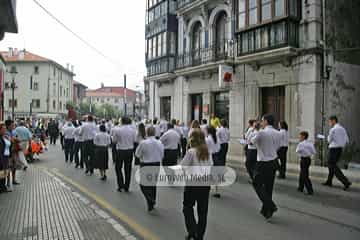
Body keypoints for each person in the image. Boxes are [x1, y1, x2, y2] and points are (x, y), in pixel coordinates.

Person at [180, 129, 213, 240]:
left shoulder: (191, 152)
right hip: (205, 183)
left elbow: (183, 166)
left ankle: (192, 230)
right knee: (203, 212)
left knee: (187, 207)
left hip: (192, 183)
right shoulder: (207, 152)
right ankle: (199, 235)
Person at [250, 114, 281, 219]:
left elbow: (250, 141)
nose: (261, 122)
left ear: (266, 121)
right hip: (273, 160)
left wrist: (254, 129)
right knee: (269, 186)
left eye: (262, 120)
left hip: (263, 162)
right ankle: (266, 211)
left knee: (256, 184)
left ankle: (270, 205)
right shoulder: (278, 133)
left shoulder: (262, 133)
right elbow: (278, 146)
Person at [135, 126, 164, 212]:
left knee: (142, 184)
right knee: (153, 184)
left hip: (146, 164)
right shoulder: (159, 143)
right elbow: (162, 155)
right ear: (154, 133)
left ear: (147, 133)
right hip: (156, 164)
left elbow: (137, 154)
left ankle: (150, 200)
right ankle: (151, 204)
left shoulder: (143, 143)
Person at [322, 115, 352, 190]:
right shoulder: (342, 129)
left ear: (333, 121)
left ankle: (346, 182)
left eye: (330, 121)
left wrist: (329, 137)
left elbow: (329, 140)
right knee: (332, 165)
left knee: (332, 165)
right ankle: (329, 181)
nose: (329, 123)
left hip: (333, 149)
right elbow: (347, 140)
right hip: (339, 149)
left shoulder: (333, 129)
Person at [112, 116, 136, 192]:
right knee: (128, 169)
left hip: (121, 150)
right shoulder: (133, 130)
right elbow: (135, 140)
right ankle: (127, 186)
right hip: (129, 150)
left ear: (122, 121)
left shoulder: (117, 130)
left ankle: (120, 185)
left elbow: (114, 141)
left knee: (118, 168)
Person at [205, 126, 221, 198]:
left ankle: (207, 188)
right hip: (217, 156)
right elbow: (219, 148)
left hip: (210, 156)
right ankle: (216, 191)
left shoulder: (208, 139)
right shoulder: (217, 138)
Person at [0, 122, 11, 193]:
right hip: (1, 158)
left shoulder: (3, 137)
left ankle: (3, 187)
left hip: (5, 157)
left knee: (4, 173)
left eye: (5, 129)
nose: (4, 130)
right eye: (3, 129)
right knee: (1, 173)